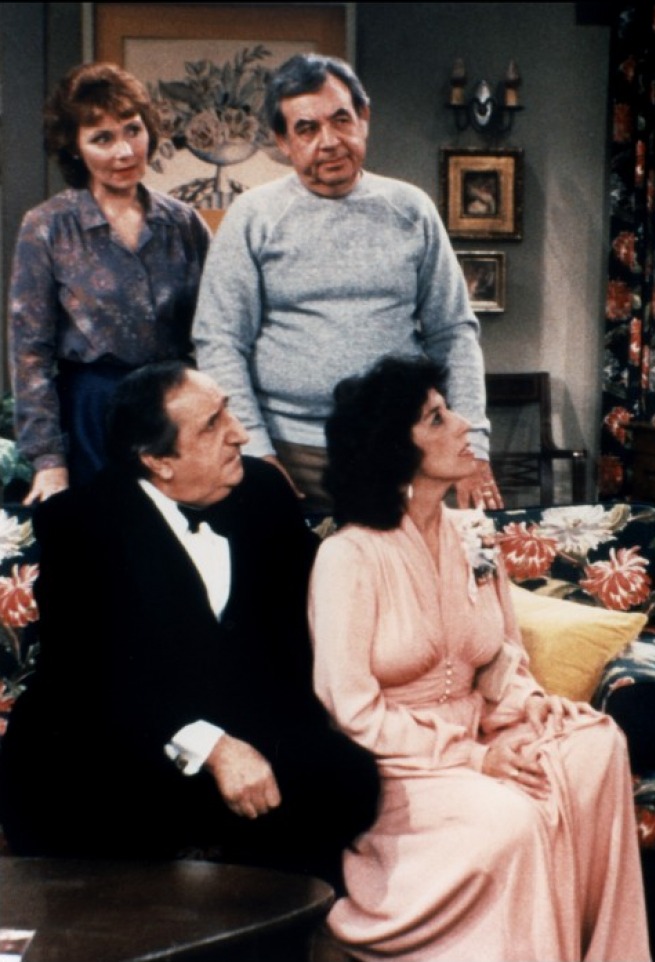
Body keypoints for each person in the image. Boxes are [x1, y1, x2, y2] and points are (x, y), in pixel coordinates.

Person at [308, 355, 649, 961]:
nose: (464, 424)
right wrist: (475, 758)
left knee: (597, 744)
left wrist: (533, 704)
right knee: (512, 820)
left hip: (483, 731)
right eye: (437, 418)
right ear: (395, 449)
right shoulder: (347, 557)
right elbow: (352, 710)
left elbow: (501, 657)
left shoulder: (472, 535)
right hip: (400, 765)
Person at [0, 361, 379, 891]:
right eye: (212, 425)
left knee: (347, 778)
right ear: (158, 460)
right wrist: (215, 748)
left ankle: (275, 919)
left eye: (228, 411)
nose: (239, 434)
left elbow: (307, 626)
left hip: (243, 723)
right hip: (115, 741)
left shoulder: (264, 492)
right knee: (92, 803)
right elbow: (91, 678)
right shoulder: (81, 522)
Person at [192, 52, 501, 512]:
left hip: (401, 449)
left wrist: (472, 442)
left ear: (364, 118)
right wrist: (256, 451)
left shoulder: (411, 209)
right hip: (289, 450)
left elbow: (453, 333)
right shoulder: (252, 217)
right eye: (307, 129)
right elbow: (220, 341)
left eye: (341, 120)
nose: (330, 141)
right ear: (282, 140)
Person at [8, 62, 210, 503]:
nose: (124, 151)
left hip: (174, 406)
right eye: (102, 138)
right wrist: (48, 460)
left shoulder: (183, 223)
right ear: (74, 147)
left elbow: (218, 330)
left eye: (133, 130)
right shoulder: (48, 226)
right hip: (93, 410)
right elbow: (29, 353)